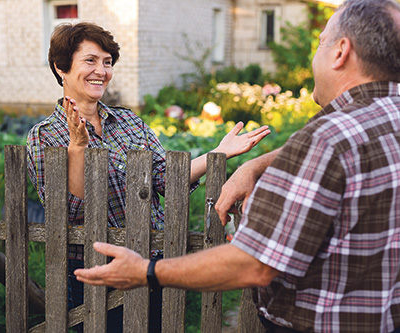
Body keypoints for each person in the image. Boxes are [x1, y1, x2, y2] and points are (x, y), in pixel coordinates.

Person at [74, 1, 400, 332]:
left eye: (320, 42)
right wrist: (254, 166)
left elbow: (254, 264)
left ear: (340, 51)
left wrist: (147, 272)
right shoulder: (381, 117)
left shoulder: (327, 139)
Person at [27, 22, 270, 332]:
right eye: (90, 60)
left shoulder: (128, 121)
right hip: (95, 267)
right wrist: (77, 147)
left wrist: (217, 153)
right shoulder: (45, 135)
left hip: (149, 261)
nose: (101, 71)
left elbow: (163, 178)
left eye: (107, 62)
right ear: (61, 67)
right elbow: (70, 211)